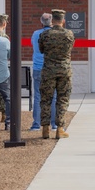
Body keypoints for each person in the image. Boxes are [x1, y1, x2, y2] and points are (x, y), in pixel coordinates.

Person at [39, 9, 74, 139]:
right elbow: (70, 49)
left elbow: (41, 50)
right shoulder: (69, 34)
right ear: (63, 21)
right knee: (62, 99)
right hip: (64, 70)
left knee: (46, 99)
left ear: (52, 20)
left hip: (48, 70)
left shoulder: (45, 35)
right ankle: (60, 129)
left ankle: (45, 129)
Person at [29, 13, 58, 132]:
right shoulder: (55, 34)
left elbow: (33, 46)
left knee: (38, 96)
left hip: (37, 68)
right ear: (52, 22)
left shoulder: (36, 34)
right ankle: (54, 124)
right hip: (51, 68)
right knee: (53, 97)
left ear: (41, 22)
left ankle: (36, 124)